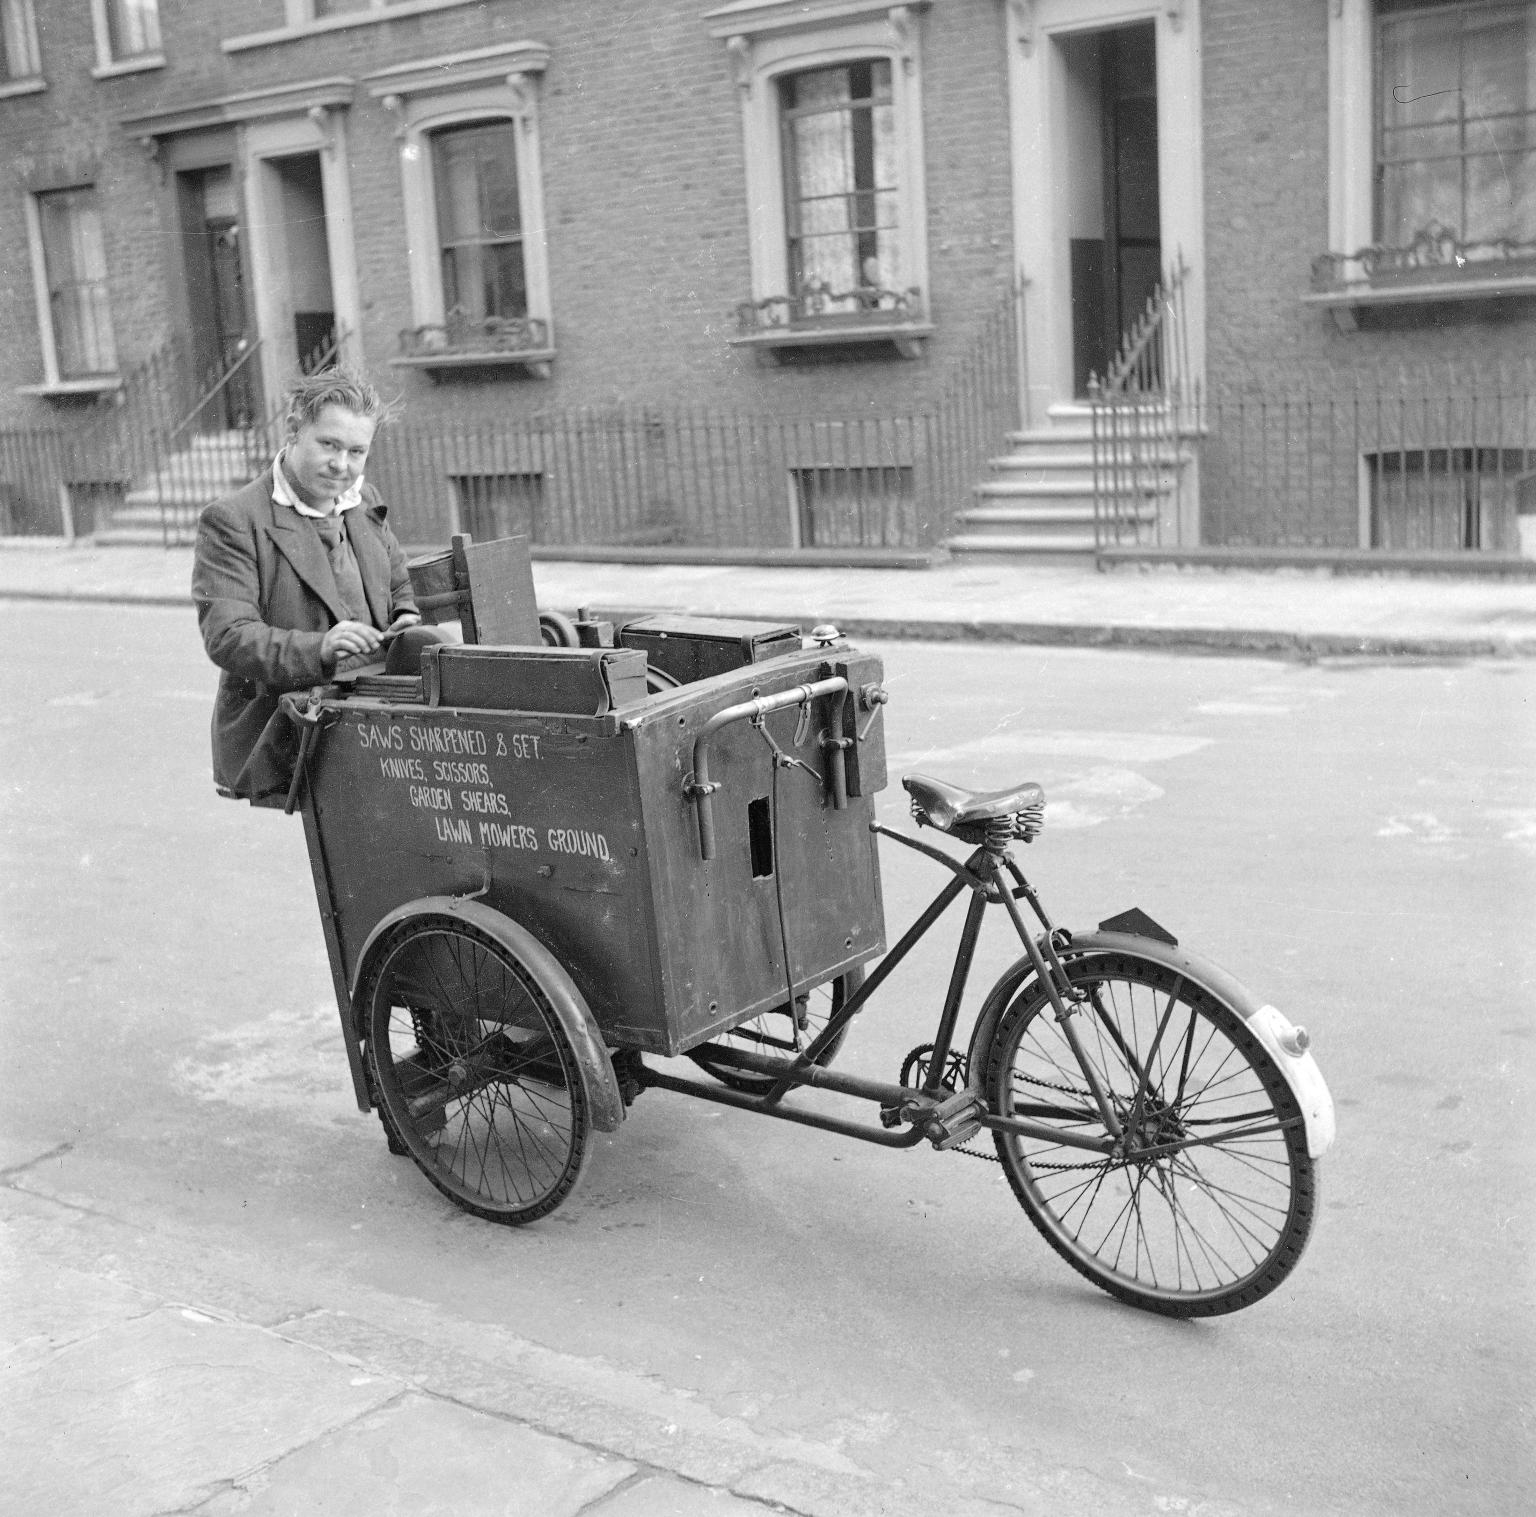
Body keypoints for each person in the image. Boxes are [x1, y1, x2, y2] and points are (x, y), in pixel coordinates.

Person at [192, 366, 439, 802]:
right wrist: (321, 648)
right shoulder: (233, 519)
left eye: (357, 452)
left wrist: (406, 615)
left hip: (375, 712)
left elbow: (400, 582)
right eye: (329, 444)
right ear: (293, 430)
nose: (342, 465)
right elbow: (228, 637)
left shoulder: (364, 501)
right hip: (291, 729)